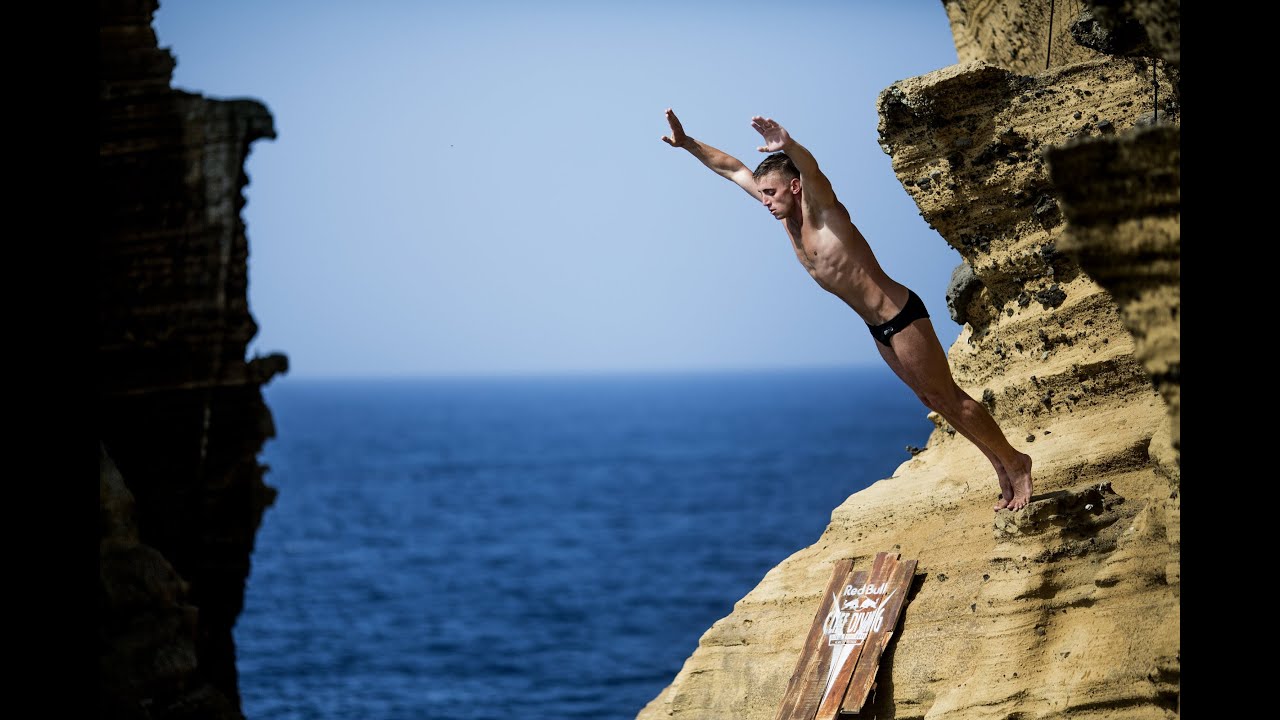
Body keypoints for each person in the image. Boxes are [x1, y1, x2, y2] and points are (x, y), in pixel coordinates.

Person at [660, 108, 1034, 511]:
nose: (764, 200)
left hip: (900, 316)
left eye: (771, 192)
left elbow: (812, 171)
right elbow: (733, 168)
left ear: (795, 187)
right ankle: (1001, 466)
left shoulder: (825, 214)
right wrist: (688, 143)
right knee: (933, 400)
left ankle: (1017, 463)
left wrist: (790, 146)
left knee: (949, 397)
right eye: (762, 193)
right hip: (877, 329)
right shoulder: (784, 217)